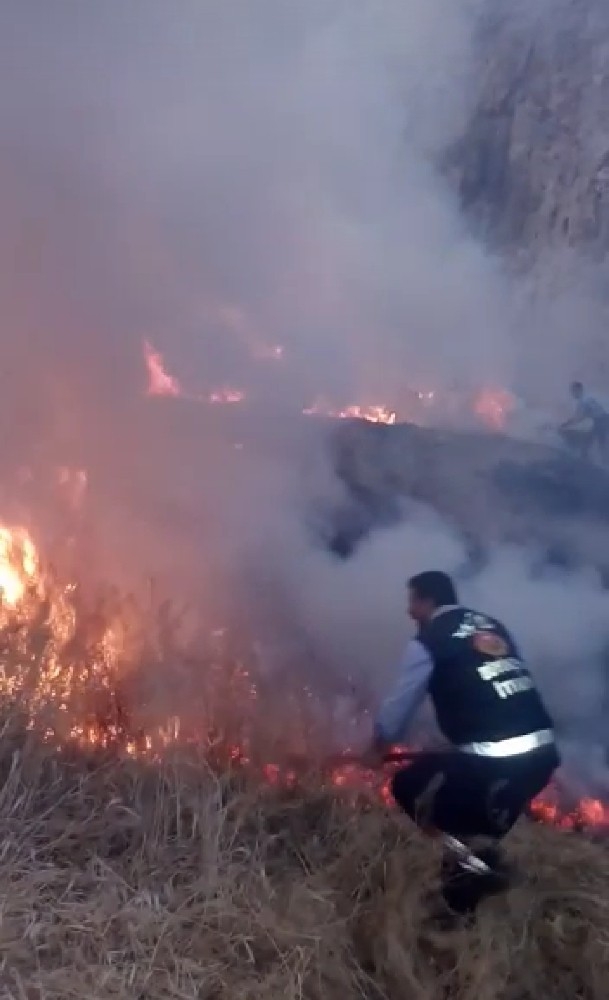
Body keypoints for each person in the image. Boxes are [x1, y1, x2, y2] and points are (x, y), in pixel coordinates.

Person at [362, 570, 560, 917]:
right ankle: (465, 908)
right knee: (471, 833)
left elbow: (399, 705)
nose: (409, 613)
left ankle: (480, 870)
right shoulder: (491, 627)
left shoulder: (430, 640)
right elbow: (497, 691)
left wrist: (377, 746)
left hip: (495, 760)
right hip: (541, 756)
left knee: (407, 785)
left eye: (412, 602)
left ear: (426, 601)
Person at [559, 381, 609, 461]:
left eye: (573, 391)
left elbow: (578, 417)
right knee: (599, 443)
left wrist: (565, 424)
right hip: (604, 420)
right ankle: (602, 461)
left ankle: (587, 460)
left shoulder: (583, 401)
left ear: (578, 390)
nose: (572, 394)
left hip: (601, 421)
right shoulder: (588, 397)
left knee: (590, 442)